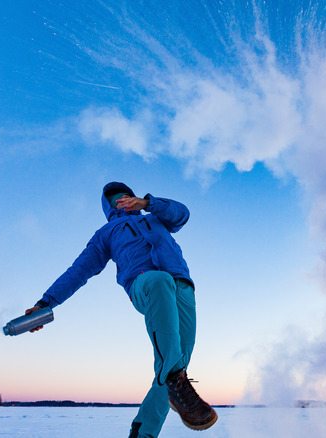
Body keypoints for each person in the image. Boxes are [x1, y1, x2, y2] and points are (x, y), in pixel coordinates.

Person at [24, 181, 217, 438]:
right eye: (116, 198)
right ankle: (173, 377)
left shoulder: (156, 217)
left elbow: (182, 214)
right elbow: (78, 271)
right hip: (145, 283)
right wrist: (46, 303)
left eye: (126, 195)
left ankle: (143, 432)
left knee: (175, 364)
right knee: (161, 289)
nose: (123, 200)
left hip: (182, 288)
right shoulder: (105, 234)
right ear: (109, 206)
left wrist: (149, 203)